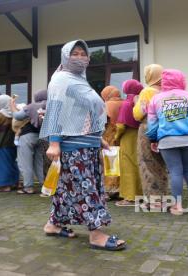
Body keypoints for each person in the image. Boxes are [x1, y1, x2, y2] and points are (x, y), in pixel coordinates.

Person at [40, 39, 125, 251]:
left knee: (67, 189)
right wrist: (53, 142)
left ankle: (53, 224)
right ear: (65, 56)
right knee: (88, 189)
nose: (80, 58)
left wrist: (98, 138)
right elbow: (56, 109)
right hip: (73, 146)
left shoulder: (78, 80)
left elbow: (80, 114)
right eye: (74, 54)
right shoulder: (61, 79)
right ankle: (96, 235)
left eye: (83, 54)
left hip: (87, 143)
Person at [146, 69, 188, 215]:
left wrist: (153, 139)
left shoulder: (156, 99)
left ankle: (178, 206)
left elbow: (152, 123)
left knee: (175, 171)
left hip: (167, 139)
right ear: (181, 80)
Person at [132, 64, 170, 209]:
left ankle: (154, 201)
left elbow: (138, 114)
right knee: (161, 164)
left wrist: (136, 104)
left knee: (148, 163)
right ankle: (163, 198)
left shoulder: (147, 91)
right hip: (165, 129)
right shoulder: (168, 91)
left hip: (148, 129)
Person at [11, 89, 47, 194]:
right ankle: (44, 186)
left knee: (25, 162)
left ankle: (28, 187)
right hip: (42, 136)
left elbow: (17, 116)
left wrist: (12, 104)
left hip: (27, 136)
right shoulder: (52, 105)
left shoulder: (32, 106)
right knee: (39, 163)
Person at [114, 80, 143, 207]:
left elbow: (121, 126)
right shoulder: (140, 101)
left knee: (128, 166)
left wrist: (116, 137)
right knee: (138, 165)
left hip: (128, 137)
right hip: (140, 135)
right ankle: (140, 194)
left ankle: (130, 197)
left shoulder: (126, 103)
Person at [101, 85, 123, 196]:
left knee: (110, 163)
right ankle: (121, 189)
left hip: (109, 137)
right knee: (122, 163)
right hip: (122, 136)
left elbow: (102, 122)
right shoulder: (125, 103)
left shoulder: (106, 105)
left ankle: (109, 190)